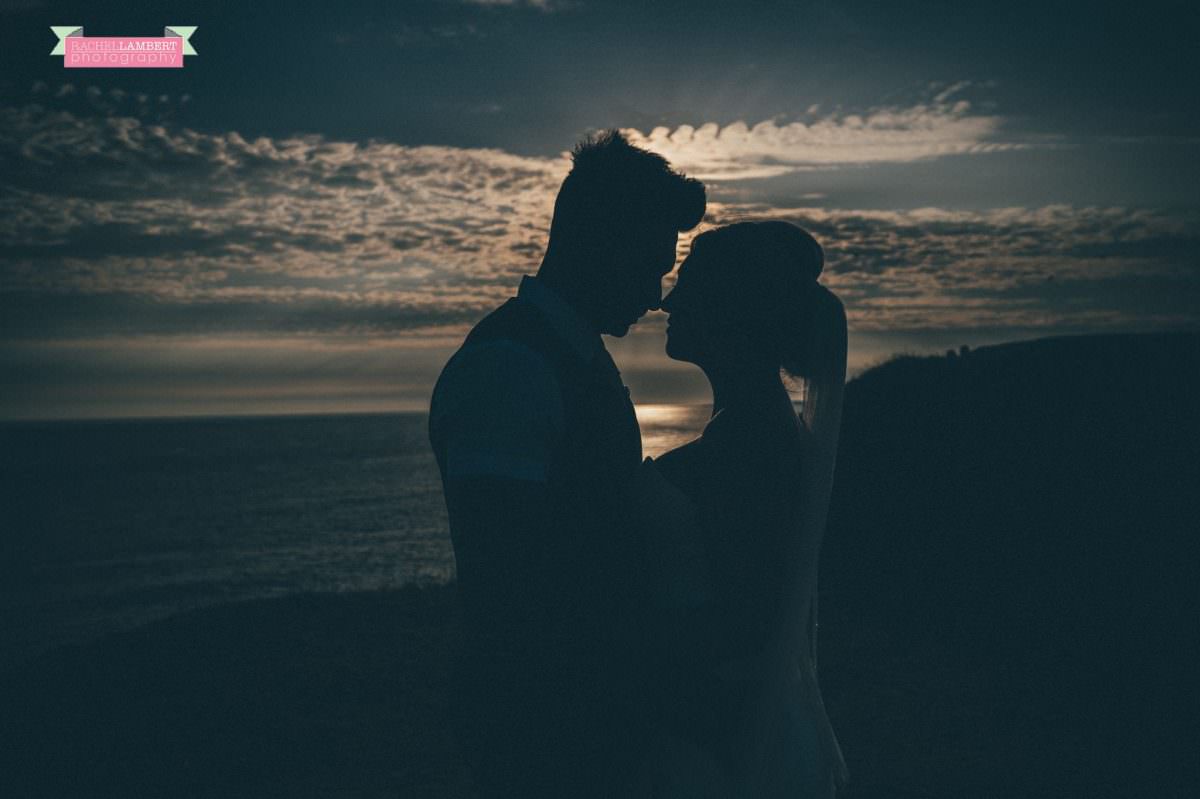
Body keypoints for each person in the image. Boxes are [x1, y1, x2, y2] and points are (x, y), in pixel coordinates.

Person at [427, 130, 705, 797]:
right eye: (651, 264)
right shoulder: (510, 366)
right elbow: (510, 580)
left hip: (585, 715)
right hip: (543, 729)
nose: (658, 292)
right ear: (601, 243)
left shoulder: (568, 354)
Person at [634, 220, 852, 797]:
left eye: (689, 286)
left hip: (720, 746)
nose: (668, 300)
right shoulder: (748, 429)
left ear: (734, 309)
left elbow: (742, 625)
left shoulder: (750, 444)